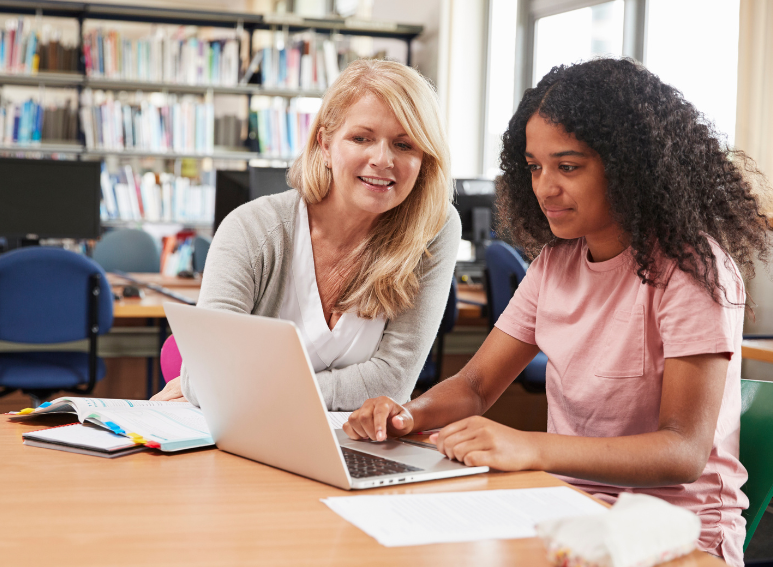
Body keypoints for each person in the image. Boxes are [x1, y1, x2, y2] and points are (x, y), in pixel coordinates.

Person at [344, 58, 771, 566]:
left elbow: (682, 452)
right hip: (568, 513)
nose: (544, 187)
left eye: (568, 167)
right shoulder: (556, 263)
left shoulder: (693, 272)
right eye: (534, 167)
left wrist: (532, 447)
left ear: (629, 165)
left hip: (673, 534)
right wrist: (407, 414)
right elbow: (477, 386)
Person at [152, 58, 459, 411]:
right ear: (325, 144)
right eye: (361, 138)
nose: (382, 159)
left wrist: (246, 389)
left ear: (424, 159)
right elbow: (206, 378)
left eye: (404, 145)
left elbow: (392, 382)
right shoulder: (251, 229)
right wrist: (217, 384)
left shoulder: (432, 226)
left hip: (355, 451)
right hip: (246, 442)